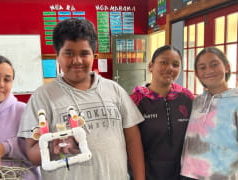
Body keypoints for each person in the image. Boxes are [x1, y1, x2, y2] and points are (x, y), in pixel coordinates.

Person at [18, 18, 146, 180]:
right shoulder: (42, 97)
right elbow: (32, 154)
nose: (77, 60)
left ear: (94, 55)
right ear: (58, 56)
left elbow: (133, 140)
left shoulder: (114, 90)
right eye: (68, 53)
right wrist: (53, 146)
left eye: (84, 53)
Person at [130, 45, 194, 180]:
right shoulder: (135, 101)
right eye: (164, 62)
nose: (170, 68)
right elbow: (129, 145)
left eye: (175, 64)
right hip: (148, 174)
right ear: (150, 66)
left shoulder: (187, 98)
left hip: (183, 174)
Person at [180, 47, 238, 180]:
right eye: (202, 67)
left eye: (214, 64)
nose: (209, 71)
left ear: (227, 67)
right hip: (187, 175)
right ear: (197, 74)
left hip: (222, 176)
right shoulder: (196, 102)